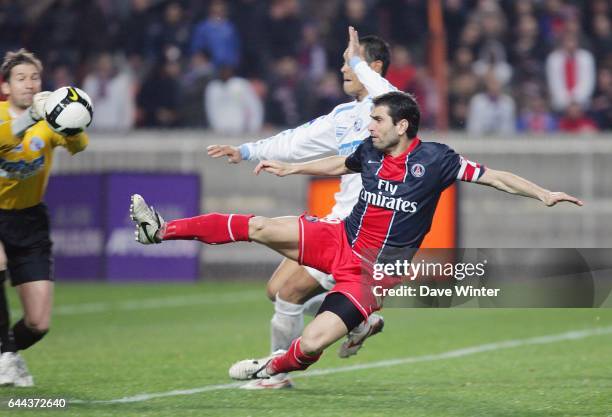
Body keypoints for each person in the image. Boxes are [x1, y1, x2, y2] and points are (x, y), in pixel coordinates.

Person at [130, 90, 582, 383]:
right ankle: (160, 230)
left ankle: (272, 366)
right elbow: (338, 164)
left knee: (311, 344)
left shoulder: (438, 161)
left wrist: (542, 194)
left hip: (372, 273)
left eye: (378, 120)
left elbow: (493, 176)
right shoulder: (369, 150)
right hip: (339, 239)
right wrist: (292, 167)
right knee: (259, 226)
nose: (370, 126)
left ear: (402, 125)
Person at [206, 27, 394, 389]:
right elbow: (295, 142)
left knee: (290, 292)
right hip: (338, 219)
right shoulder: (344, 115)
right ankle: (358, 318)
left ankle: (277, 375)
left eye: (349, 62)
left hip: (365, 229)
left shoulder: (394, 109)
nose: (342, 69)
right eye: (342, 62)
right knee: (277, 290)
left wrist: (360, 64)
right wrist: (246, 151)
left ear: (374, 67)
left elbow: (382, 94)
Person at [0, 49, 89, 386]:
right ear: (6, 87)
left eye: (34, 78)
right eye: (20, 78)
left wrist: (72, 119)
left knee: (38, 323)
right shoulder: (2, 117)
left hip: (30, 218)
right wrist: (31, 119)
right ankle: (5, 356)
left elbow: (79, 145)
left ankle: (8, 354)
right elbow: (4, 139)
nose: (29, 84)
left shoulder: (47, 122)